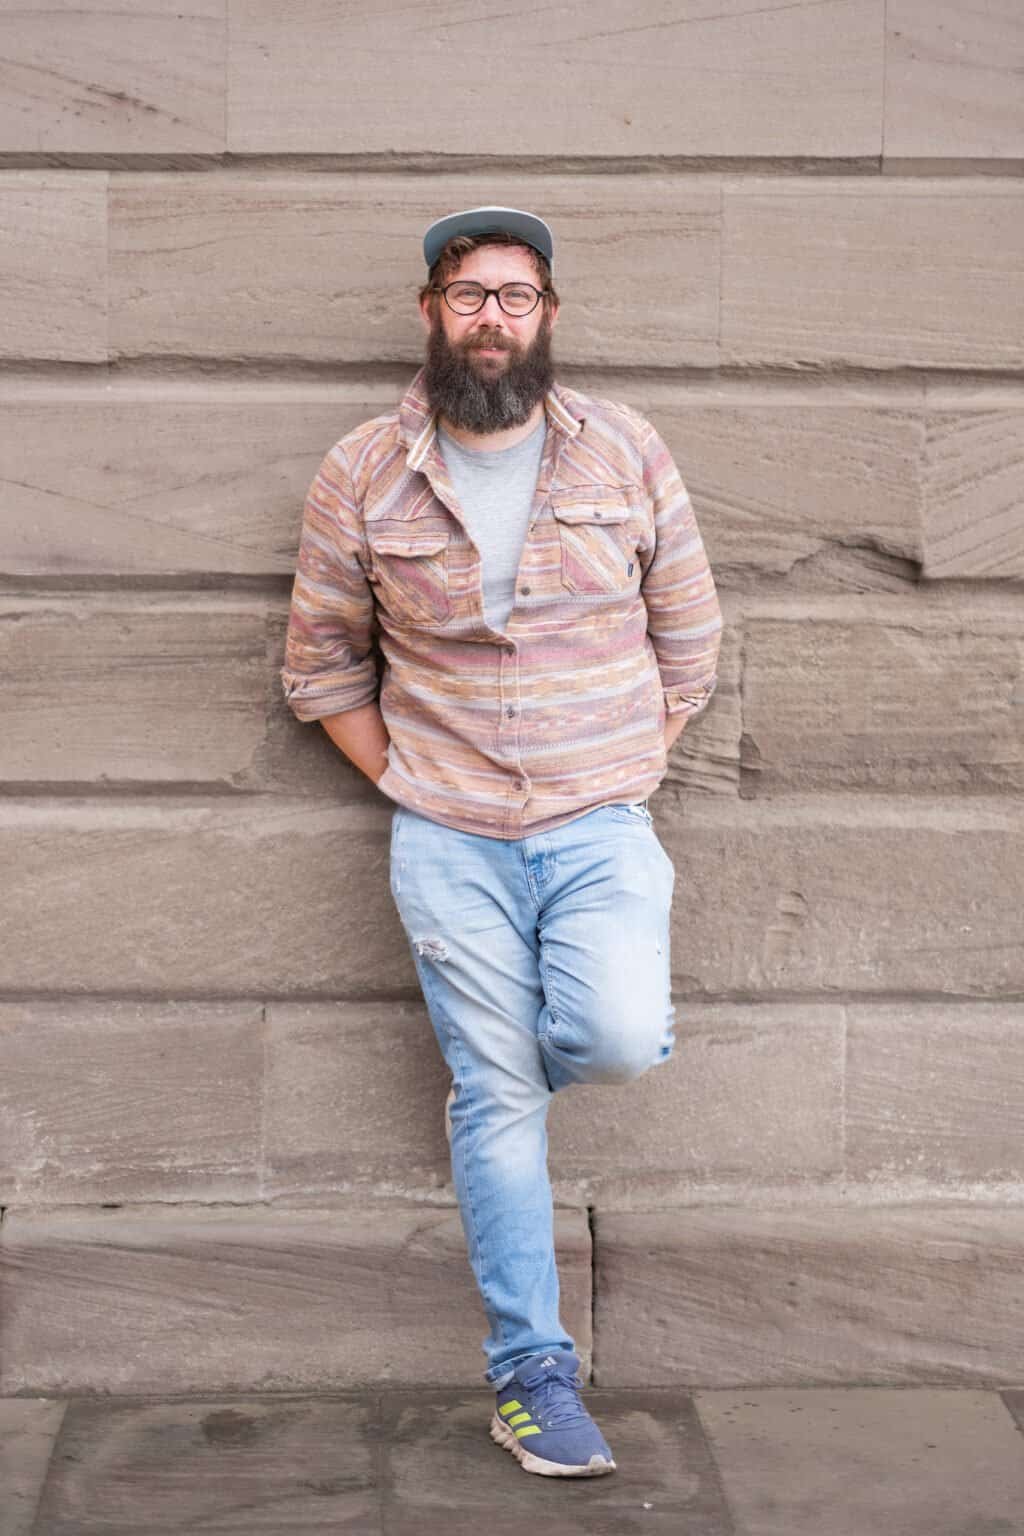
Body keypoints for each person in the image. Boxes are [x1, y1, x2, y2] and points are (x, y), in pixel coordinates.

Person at [281, 205, 723, 1478]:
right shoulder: (363, 469)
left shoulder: (625, 451)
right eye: (466, 293)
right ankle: (533, 1376)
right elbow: (319, 668)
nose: (490, 315)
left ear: (547, 317)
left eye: (514, 295)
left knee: (613, 1038)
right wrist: (412, 782)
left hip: (600, 823)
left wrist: (624, 763)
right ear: (430, 313)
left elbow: (687, 643)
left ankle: (511, 1095)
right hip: (448, 836)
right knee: (493, 1095)